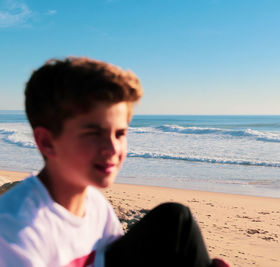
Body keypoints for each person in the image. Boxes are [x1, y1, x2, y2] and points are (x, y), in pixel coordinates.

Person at [0, 57, 229, 267]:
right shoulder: (16, 232)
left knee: (175, 220)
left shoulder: (94, 205)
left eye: (119, 134)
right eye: (93, 133)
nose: (112, 149)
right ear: (47, 142)